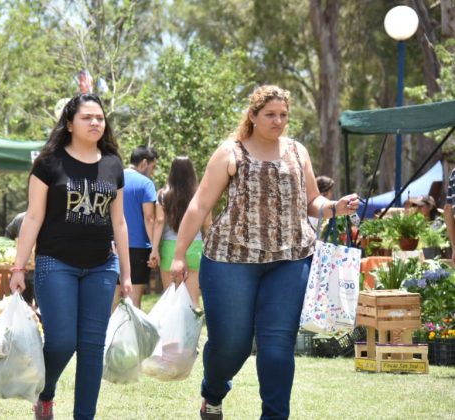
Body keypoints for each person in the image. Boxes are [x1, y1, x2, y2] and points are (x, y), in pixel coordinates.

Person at [169, 85, 360, 420]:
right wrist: (180, 253)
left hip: (289, 260)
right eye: (270, 114)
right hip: (231, 260)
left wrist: (334, 206)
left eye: (284, 115)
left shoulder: (298, 152)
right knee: (232, 346)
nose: (278, 121)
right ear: (253, 116)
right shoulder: (231, 152)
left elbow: (312, 201)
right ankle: (212, 395)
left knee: (276, 348)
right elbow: (200, 204)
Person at [8, 93, 132, 420]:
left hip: (102, 266)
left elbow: (119, 222)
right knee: (62, 341)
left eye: (100, 118)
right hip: (55, 262)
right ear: (69, 123)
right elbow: (33, 217)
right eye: (87, 117)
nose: (95, 123)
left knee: (92, 349)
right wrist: (19, 267)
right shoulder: (49, 164)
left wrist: (127, 275)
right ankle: (45, 393)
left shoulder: (112, 164)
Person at [148, 157, 208, 309]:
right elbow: (208, 224)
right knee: (194, 299)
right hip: (194, 246)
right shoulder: (201, 194)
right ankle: (192, 333)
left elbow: (159, 222)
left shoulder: (162, 194)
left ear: (171, 172)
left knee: (170, 298)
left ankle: (172, 333)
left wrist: (154, 250)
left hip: (170, 248)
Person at [121, 145, 158, 308]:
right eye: (153, 167)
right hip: (138, 247)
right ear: (144, 163)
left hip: (114, 246)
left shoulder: (112, 178)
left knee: (114, 298)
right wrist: (154, 248)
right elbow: (150, 218)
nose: (152, 172)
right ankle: (134, 334)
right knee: (135, 300)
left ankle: (113, 334)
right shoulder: (146, 183)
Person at [4, 211, 34, 305]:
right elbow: (8, 235)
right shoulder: (20, 218)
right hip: (23, 269)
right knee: (23, 304)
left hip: (40, 269)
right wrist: (12, 250)